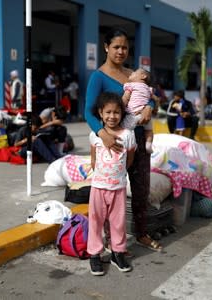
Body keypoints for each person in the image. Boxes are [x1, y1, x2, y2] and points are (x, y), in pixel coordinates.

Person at [85, 27, 162, 252]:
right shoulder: (98, 77)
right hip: (112, 143)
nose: (120, 51)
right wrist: (103, 135)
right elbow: (88, 112)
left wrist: (149, 107)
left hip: (136, 137)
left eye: (125, 48)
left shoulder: (134, 74)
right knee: (112, 191)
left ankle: (141, 233)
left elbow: (148, 97)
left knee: (141, 188)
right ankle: (111, 239)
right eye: (116, 47)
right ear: (106, 47)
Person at [87, 92, 135, 276]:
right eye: (107, 112)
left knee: (118, 223)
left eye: (116, 112)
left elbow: (129, 159)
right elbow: (93, 160)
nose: (112, 116)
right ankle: (94, 254)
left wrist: (118, 176)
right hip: (98, 187)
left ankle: (118, 252)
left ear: (122, 114)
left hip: (118, 188)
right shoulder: (95, 135)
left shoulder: (128, 135)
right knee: (96, 221)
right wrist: (102, 176)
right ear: (100, 113)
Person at [121, 67, 154, 153]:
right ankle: (148, 144)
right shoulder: (149, 89)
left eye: (134, 72)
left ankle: (133, 144)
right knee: (149, 131)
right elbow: (153, 99)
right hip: (145, 115)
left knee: (127, 131)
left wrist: (121, 108)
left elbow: (125, 98)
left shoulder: (131, 85)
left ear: (143, 76)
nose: (131, 74)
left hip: (132, 114)